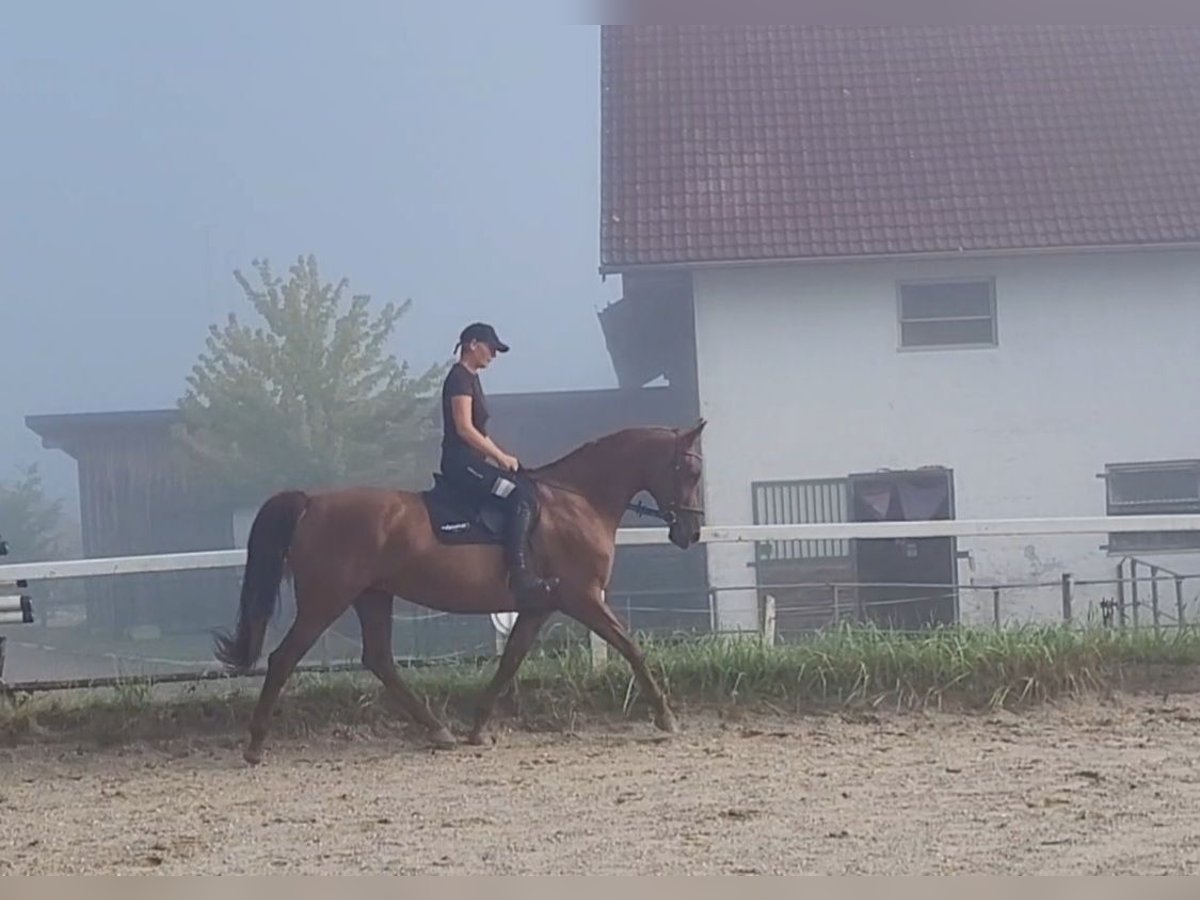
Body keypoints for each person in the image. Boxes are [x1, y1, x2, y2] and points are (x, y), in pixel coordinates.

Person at [439, 322, 559, 607]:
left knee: (525, 486)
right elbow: (465, 429)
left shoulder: (471, 378)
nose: (493, 355)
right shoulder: (459, 378)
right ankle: (519, 573)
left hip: (474, 460)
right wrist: (500, 457)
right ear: (472, 345)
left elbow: (480, 432)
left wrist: (502, 456)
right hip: (462, 464)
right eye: (490, 349)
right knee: (519, 496)